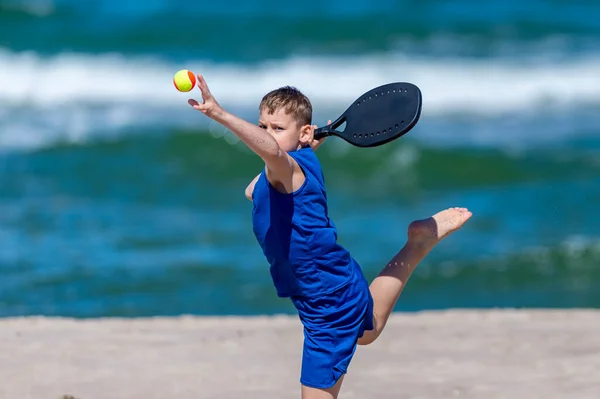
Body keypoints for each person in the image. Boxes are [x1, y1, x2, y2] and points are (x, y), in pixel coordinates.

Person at [188, 74, 472, 399]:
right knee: (367, 329)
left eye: (277, 128)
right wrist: (297, 145)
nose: (267, 135)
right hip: (331, 281)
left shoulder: (289, 169)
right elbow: (253, 190)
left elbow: (275, 157)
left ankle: (418, 244)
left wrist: (220, 114)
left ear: (304, 132)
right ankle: (417, 242)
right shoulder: (287, 165)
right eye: (263, 126)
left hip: (327, 302)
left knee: (360, 336)